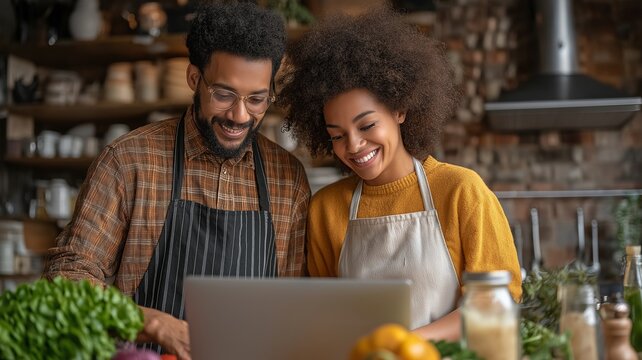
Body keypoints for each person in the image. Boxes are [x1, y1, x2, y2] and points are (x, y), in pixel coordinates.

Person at [43, 2, 310, 358]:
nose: (239, 115)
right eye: (224, 94)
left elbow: (292, 308)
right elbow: (66, 279)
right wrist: (151, 323)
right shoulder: (129, 160)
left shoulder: (287, 179)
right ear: (194, 79)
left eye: (257, 99)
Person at [277, 6, 521, 341]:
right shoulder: (326, 209)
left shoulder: (461, 191)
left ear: (400, 109)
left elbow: (498, 301)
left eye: (367, 125)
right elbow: (328, 316)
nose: (354, 145)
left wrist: (406, 344)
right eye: (337, 135)